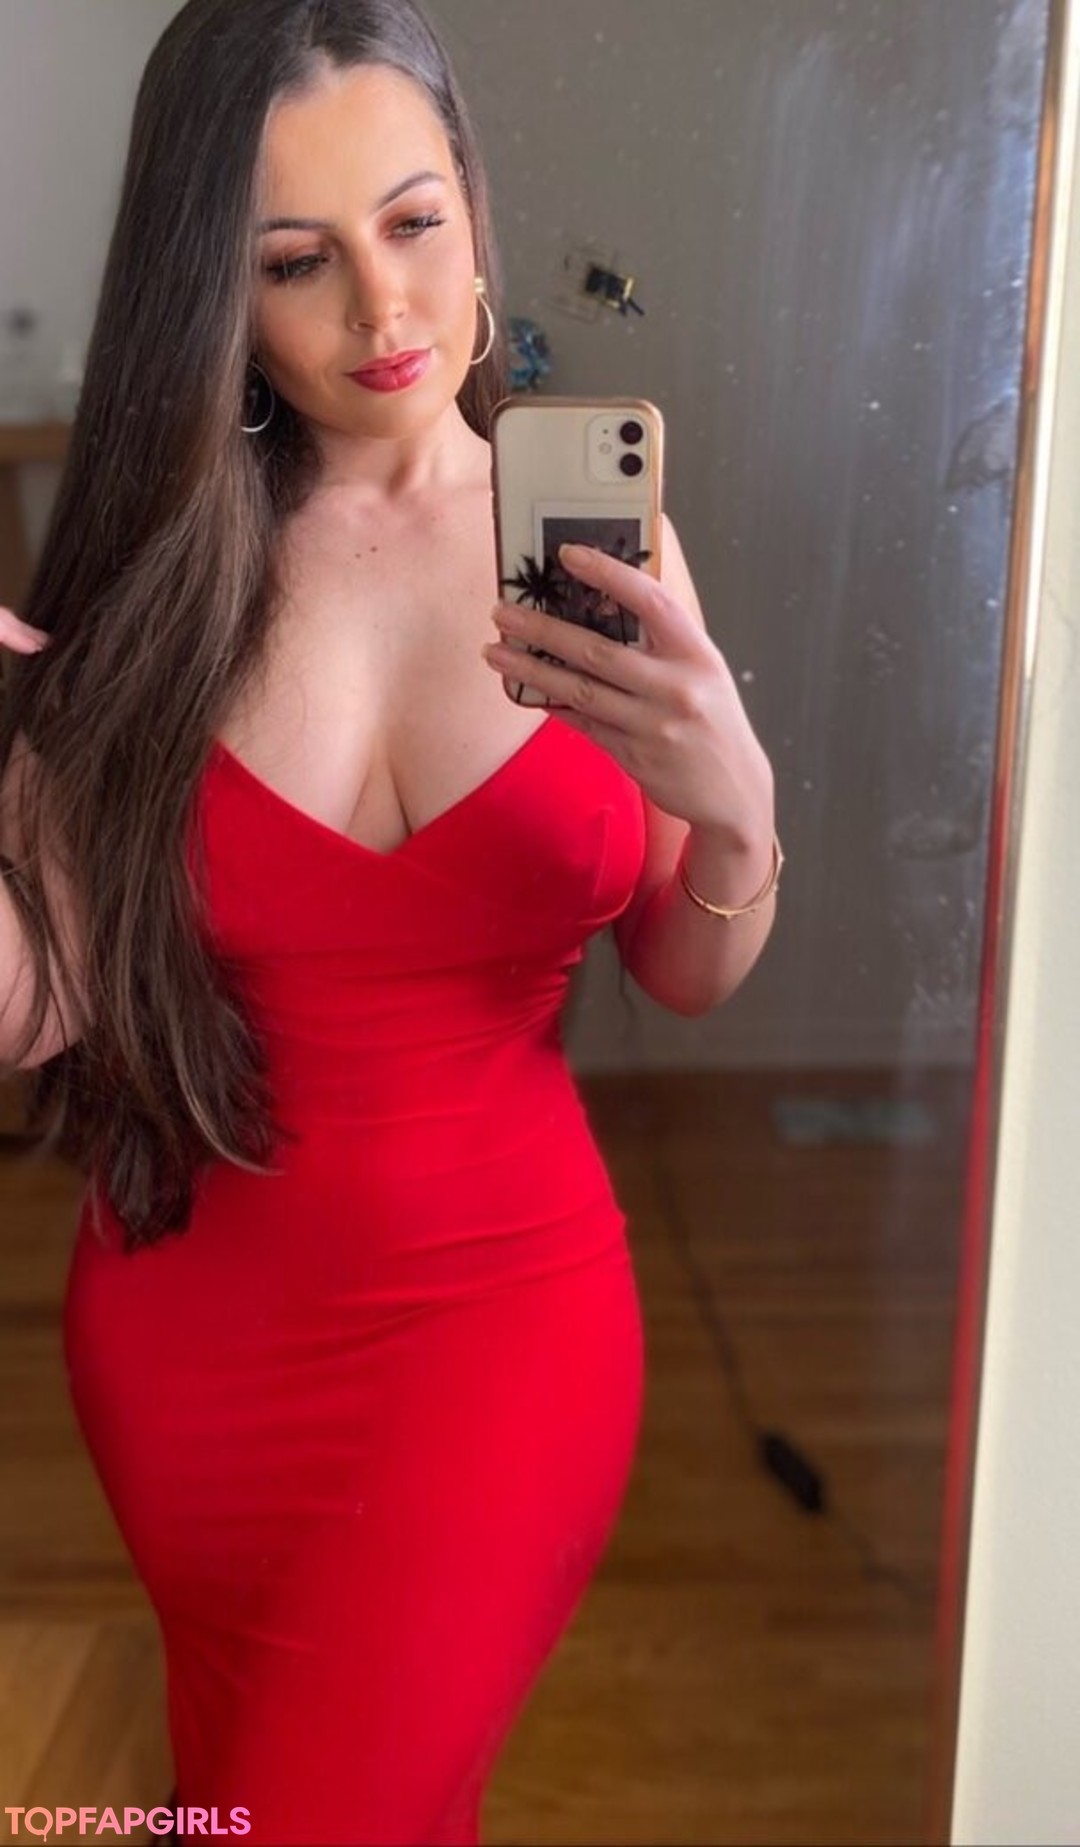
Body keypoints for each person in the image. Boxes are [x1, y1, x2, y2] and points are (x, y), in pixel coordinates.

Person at [0, 1, 779, 1841]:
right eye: (298, 261)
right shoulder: (153, 573)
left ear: (476, 210)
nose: (383, 308)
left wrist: (738, 803)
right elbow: (38, 1009)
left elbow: (684, 966)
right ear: (215, 290)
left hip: (503, 1335)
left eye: (415, 223)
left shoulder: (599, 549)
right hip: (188, 1342)